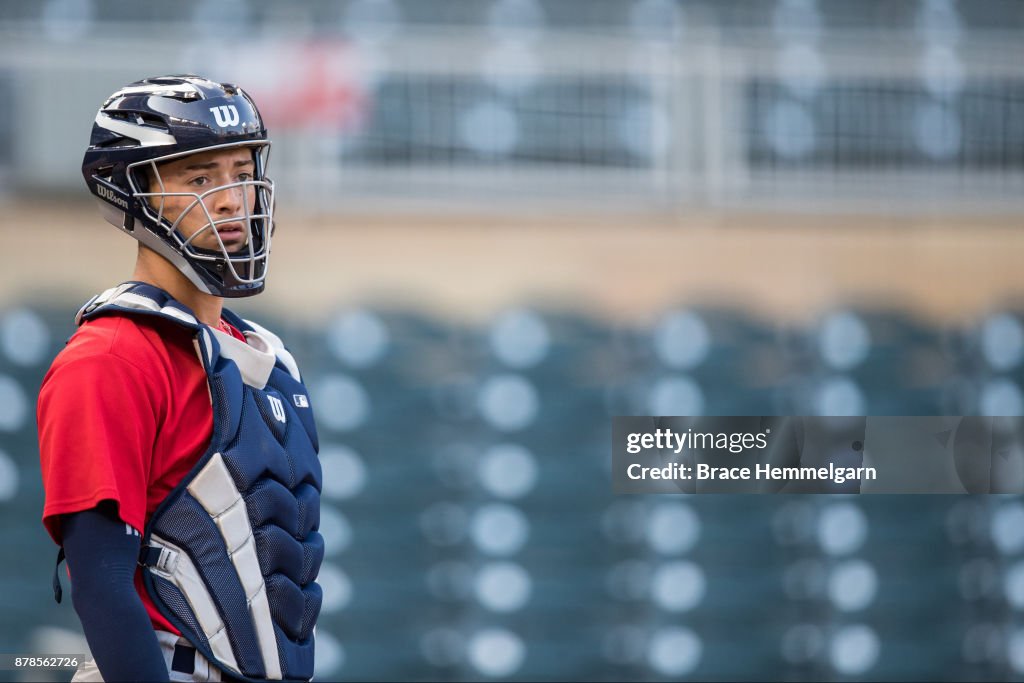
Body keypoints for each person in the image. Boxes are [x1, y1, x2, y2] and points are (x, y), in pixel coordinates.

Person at [37, 75, 324, 683]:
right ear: (132, 191)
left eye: (241, 172)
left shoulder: (269, 358)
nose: (230, 199)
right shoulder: (111, 356)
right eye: (199, 179)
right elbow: (101, 582)